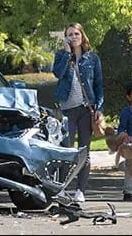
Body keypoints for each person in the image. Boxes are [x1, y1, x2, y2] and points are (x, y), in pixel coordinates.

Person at [51, 22, 103, 203]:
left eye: (76, 34)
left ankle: (80, 190)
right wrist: (66, 53)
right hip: (67, 109)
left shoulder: (92, 58)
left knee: (84, 150)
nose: (73, 37)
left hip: (86, 109)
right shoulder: (61, 56)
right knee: (65, 149)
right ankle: (61, 187)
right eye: (70, 35)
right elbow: (58, 74)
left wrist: (99, 109)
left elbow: (98, 85)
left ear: (82, 35)